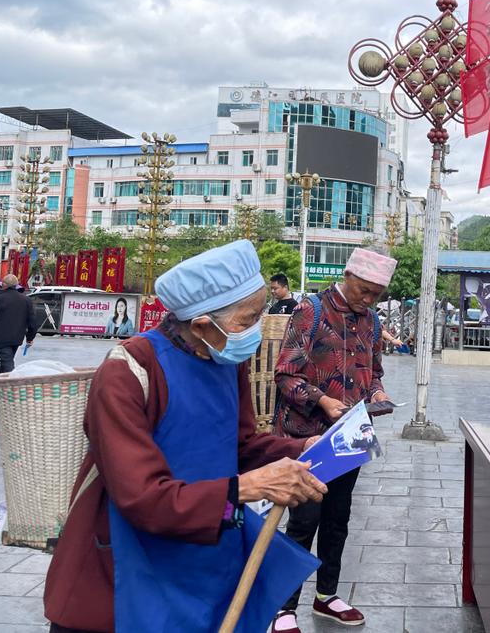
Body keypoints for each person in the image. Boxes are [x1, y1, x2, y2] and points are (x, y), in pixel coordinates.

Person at [43, 240, 327, 633]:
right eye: (248, 320)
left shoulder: (226, 359)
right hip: (128, 565)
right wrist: (245, 488)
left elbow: (240, 446)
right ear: (200, 325)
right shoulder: (128, 372)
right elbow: (142, 497)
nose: (257, 331)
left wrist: (301, 449)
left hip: (210, 544)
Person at [271, 248, 397, 633]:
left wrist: (376, 394)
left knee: (338, 520)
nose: (368, 299)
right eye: (363, 290)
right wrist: (322, 400)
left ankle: (327, 595)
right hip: (307, 437)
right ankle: (282, 607)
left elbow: (373, 372)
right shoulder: (310, 311)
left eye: (376, 294)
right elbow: (285, 374)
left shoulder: (371, 322)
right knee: (303, 521)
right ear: (347, 276)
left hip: (352, 434)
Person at [0, 274, 37, 374]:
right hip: (17, 337)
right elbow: (32, 321)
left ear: (3, 284)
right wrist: (30, 338)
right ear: (16, 285)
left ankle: (10, 382)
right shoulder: (26, 300)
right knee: (7, 360)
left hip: (1, 336)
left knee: (7, 363)